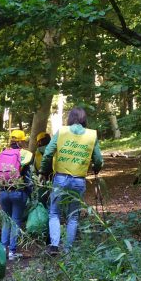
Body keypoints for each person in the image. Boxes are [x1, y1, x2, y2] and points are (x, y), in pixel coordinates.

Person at [40, 107, 103, 253]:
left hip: (60, 179)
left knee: (54, 213)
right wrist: (96, 168)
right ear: (83, 119)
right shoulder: (91, 135)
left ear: (70, 118)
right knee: (73, 215)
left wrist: (44, 171)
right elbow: (98, 159)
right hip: (78, 181)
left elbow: (48, 153)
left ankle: (54, 245)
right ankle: (68, 249)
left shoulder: (62, 132)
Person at [0, 129, 33, 261]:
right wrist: (30, 193)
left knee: (6, 220)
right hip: (18, 191)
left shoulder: (2, 153)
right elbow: (28, 177)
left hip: (3, 191)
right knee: (15, 221)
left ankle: (2, 249)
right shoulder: (26, 155)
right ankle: (12, 251)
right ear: (22, 140)